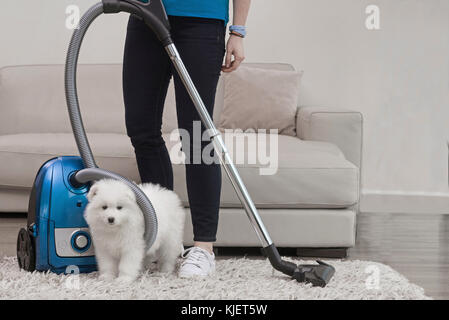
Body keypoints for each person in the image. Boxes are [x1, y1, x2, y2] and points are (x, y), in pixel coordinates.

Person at [123, 0, 251, 277]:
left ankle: (203, 248)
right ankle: (163, 238)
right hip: (145, 15)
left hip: (202, 21)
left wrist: (237, 32)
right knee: (140, 127)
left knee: (196, 136)